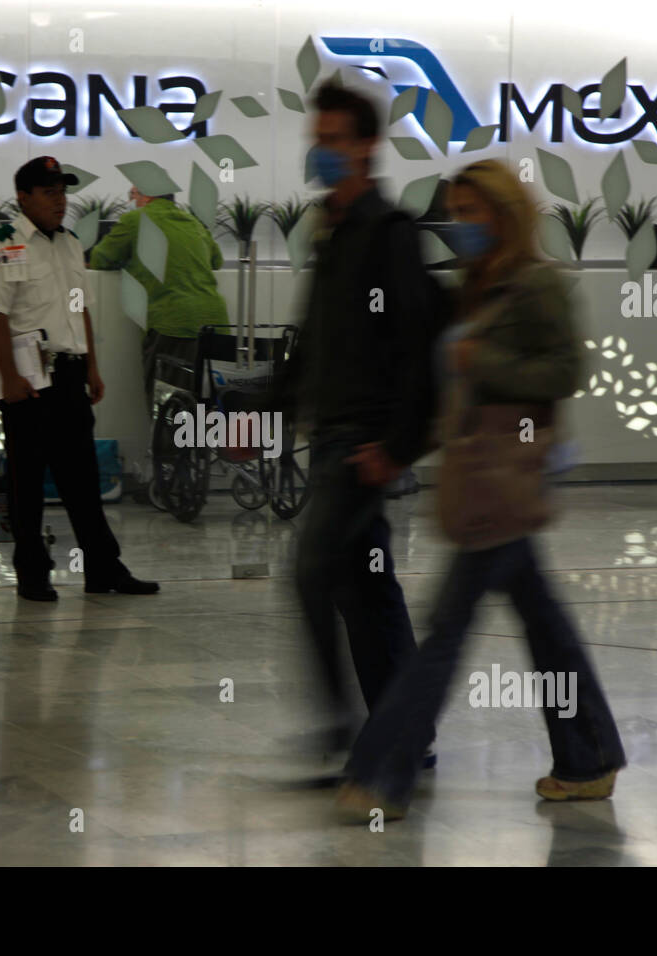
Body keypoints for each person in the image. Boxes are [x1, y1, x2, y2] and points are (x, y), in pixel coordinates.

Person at [336, 160, 627, 822]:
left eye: (475, 212)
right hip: (480, 479)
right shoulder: (476, 285)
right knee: (547, 629)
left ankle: (383, 774)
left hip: (506, 481)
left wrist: (481, 361)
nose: (462, 225)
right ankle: (587, 758)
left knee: (443, 633)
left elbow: (566, 370)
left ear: (505, 213)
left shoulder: (536, 283)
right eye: (457, 213)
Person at [277, 80, 448, 774]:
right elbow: (314, 340)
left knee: (313, 575)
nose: (323, 153)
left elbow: (422, 348)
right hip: (334, 438)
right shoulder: (334, 232)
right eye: (317, 141)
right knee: (364, 585)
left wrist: (400, 446)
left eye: (335, 141)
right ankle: (404, 732)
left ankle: (347, 728)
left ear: (369, 146)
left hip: (364, 445)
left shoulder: (388, 233)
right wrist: (267, 413)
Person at [0, 156, 158, 601]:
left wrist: (93, 366)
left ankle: (103, 569)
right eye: (49, 193)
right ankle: (32, 574)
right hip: (28, 379)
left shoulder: (72, 243)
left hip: (71, 372)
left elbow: (80, 309)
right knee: (27, 481)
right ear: (24, 196)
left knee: (82, 478)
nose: (60, 202)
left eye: (63, 192)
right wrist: (8, 379)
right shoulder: (4, 244)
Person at [87, 186, 229, 407]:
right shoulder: (193, 222)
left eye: (133, 195)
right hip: (216, 325)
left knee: (169, 410)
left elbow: (100, 258)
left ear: (147, 195)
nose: (131, 200)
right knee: (209, 409)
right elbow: (216, 260)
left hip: (173, 324)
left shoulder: (135, 220)